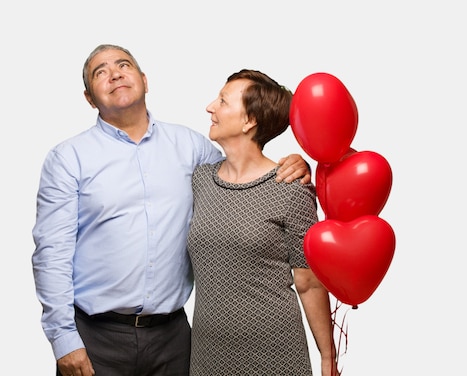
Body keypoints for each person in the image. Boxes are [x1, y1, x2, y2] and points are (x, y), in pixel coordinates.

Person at [31, 44, 311, 376]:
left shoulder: (192, 148)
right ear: (90, 98)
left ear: (145, 81)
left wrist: (297, 164)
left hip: (174, 341)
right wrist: (64, 339)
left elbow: (244, 173)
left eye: (124, 64)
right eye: (100, 72)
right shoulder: (68, 158)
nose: (115, 73)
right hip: (96, 340)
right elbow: (52, 254)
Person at [186, 69, 338, 376]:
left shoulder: (292, 190)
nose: (210, 107)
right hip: (207, 353)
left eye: (223, 101)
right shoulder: (200, 180)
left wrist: (326, 357)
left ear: (249, 121)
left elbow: (308, 283)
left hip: (273, 355)